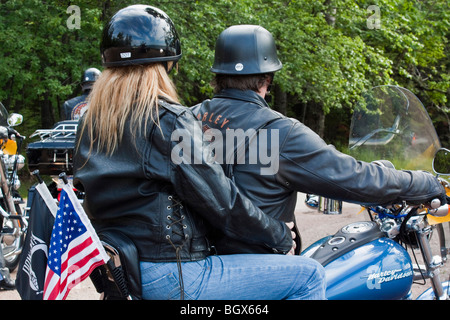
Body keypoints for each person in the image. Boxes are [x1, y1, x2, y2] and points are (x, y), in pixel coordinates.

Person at [73, 5, 325, 300]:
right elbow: (223, 204)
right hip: (171, 275)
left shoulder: (91, 123)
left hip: (121, 271)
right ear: (168, 65)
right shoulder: (168, 120)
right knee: (309, 275)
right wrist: (280, 234)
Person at [191, 24, 447, 255]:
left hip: (195, 261)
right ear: (267, 79)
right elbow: (353, 178)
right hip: (253, 265)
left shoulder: (187, 119)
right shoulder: (279, 132)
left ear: (218, 76)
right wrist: (423, 182)